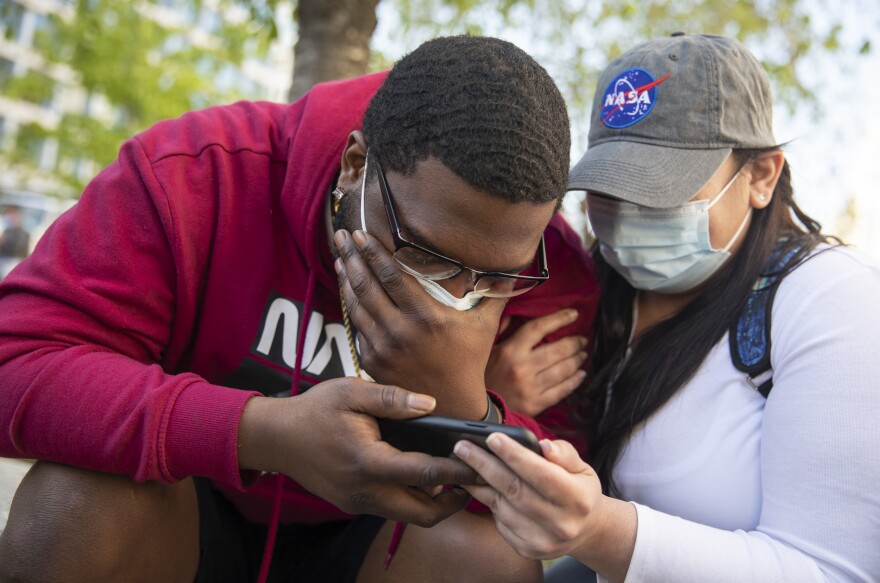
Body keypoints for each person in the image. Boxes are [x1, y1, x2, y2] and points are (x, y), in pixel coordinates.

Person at [0, 35, 599, 582]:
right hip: (187, 512)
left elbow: (577, 489)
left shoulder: (548, 265)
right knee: (75, 502)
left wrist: (472, 408)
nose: (457, 293)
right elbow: (16, 364)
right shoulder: (202, 172)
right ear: (355, 166)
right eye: (428, 254)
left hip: (376, 549)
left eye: (493, 276)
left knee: (491, 562)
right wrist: (262, 433)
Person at [453, 33, 880, 582]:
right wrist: (493, 404)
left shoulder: (831, 301)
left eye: (662, 192)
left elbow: (832, 571)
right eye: (610, 194)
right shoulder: (590, 288)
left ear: (761, 176)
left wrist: (600, 530)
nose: (629, 220)